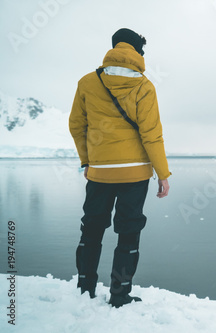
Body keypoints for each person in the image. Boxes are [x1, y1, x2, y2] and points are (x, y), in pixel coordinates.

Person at [69, 28, 171, 308]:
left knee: (91, 229)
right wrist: (162, 174)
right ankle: (120, 294)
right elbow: (151, 134)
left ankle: (84, 288)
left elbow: (77, 125)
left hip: (100, 173)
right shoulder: (144, 86)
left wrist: (87, 161)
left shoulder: (88, 82)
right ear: (138, 51)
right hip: (135, 174)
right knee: (128, 234)